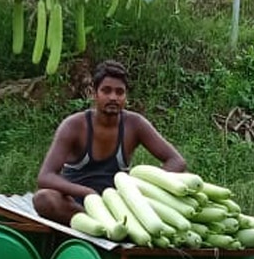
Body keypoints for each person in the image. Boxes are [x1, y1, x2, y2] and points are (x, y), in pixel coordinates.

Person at [33, 59, 186, 224]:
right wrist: (87, 193)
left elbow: (176, 161)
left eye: (119, 92)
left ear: (126, 96)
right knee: (43, 199)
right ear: (94, 93)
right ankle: (96, 222)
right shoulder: (74, 125)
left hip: (119, 206)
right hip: (77, 203)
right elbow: (45, 176)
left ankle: (114, 222)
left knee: (185, 182)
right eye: (106, 91)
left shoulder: (135, 124)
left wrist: (143, 188)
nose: (113, 97)